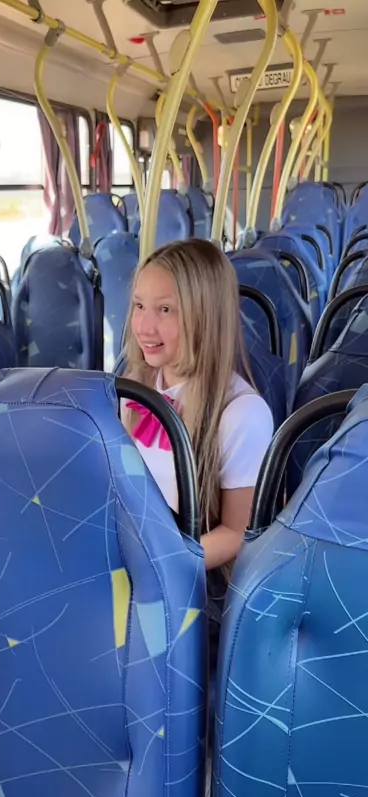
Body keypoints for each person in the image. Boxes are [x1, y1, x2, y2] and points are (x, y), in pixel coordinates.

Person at [121, 238, 274, 586]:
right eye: (139, 305)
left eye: (165, 310)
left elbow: (238, 533)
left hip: (195, 581)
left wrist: (157, 565)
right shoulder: (132, 387)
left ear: (204, 316)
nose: (144, 326)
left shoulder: (242, 413)